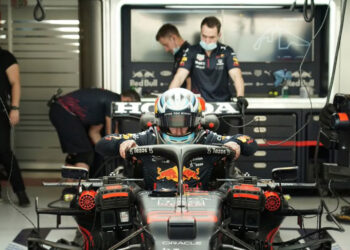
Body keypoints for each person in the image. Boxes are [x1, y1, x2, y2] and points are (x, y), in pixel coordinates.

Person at [96, 88, 257, 190]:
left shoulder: (208, 137)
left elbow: (249, 142)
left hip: (204, 204)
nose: (179, 129)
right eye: (172, 122)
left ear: (196, 120)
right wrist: (122, 143)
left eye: (185, 121)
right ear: (160, 120)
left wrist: (235, 143)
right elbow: (103, 144)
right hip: (151, 203)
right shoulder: (148, 137)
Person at [49, 88, 140, 173]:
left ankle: (70, 184)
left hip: (61, 111)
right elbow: (110, 134)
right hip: (64, 111)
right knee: (84, 153)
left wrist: (104, 151)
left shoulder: (101, 107)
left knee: (80, 151)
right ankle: (78, 186)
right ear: (128, 101)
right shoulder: (114, 102)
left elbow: (93, 132)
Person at [168, 16, 248, 111]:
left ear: (219, 35)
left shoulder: (227, 51)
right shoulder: (191, 51)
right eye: (204, 36)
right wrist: (168, 98)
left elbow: (236, 76)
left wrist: (240, 97)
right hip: (198, 107)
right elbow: (180, 76)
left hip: (223, 106)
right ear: (201, 33)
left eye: (211, 37)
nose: (207, 41)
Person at [0, 47, 30, 206]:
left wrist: (15, 108)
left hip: (1, 111)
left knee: (4, 151)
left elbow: (15, 83)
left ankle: (20, 192)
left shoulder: (5, 57)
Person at [156, 23, 191, 90]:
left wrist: (188, 99)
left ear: (173, 38)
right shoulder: (178, 54)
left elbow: (190, 82)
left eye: (166, 45)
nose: (166, 50)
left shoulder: (188, 52)